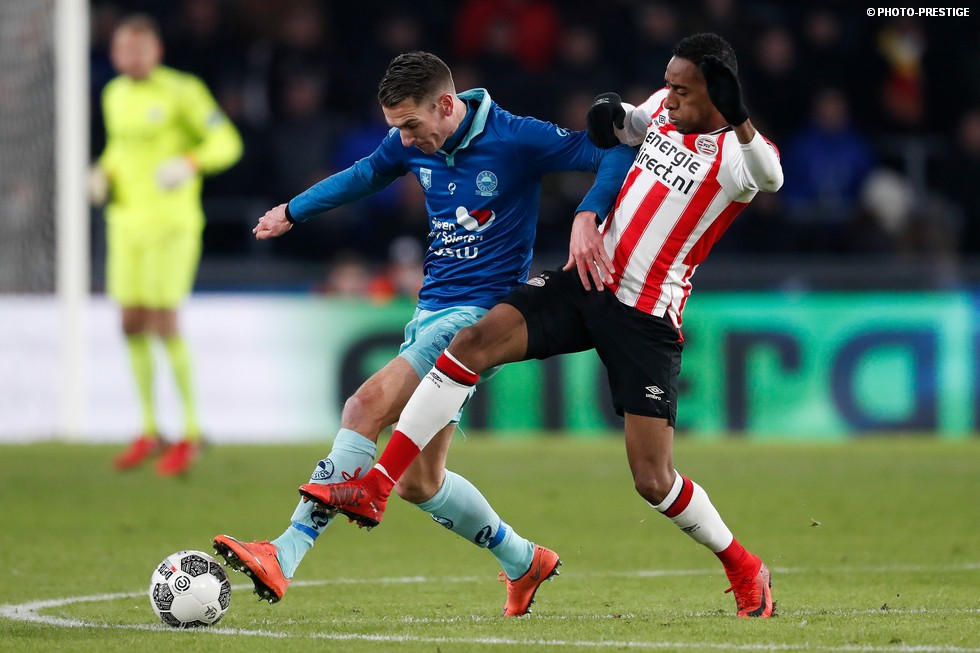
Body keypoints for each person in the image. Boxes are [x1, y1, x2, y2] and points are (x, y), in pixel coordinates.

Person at [300, 33, 784, 619]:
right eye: (668, 84)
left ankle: (743, 564)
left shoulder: (739, 154)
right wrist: (612, 114)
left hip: (645, 315)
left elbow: (771, 178)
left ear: (717, 92)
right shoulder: (663, 106)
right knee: (470, 342)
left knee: (653, 479)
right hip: (586, 279)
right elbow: (626, 128)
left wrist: (740, 119)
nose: (670, 96)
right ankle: (377, 486)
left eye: (683, 89)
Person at [213, 51, 635, 616]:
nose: (406, 140)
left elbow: (614, 150)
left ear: (446, 105)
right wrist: (294, 209)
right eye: (397, 128)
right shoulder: (410, 140)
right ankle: (523, 560)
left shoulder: (516, 137)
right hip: (430, 311)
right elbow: (366, 173)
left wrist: (589, 213)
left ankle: (283, 553)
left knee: (363, 406)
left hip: (477, 321)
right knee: (420, 482)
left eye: (411, 125)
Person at [90, 14, 243, 476]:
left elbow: (227, 142)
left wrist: (189, 162)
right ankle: (150, 428)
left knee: (163, 320)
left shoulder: (183, 91)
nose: (131, 58)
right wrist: (104, 171)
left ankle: (192, 432)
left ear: (156, 51)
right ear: (114, 53)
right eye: (123, 50)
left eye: (139, 49)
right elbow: (121, 148)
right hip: (125, 223)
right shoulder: (113, 94)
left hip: (171, 223)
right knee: (130, 321)